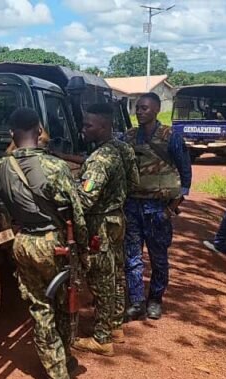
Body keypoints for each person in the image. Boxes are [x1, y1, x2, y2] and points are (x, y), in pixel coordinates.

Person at [0, 107, 88, 379]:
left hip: (23, 243)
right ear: (40, 129)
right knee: (63, 304)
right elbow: (79, 213)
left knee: (39, 308)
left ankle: (56, 376)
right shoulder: (55, 167)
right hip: (54, 244)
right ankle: (61, 368)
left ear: (11, 134)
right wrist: (81, 249)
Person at [73, 103, 139, 356]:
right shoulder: (122, 149)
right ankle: (115, 326)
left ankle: (102, 339)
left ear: (103, 127)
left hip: (99, 223)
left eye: (88, 125)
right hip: (117, 220)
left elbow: (85, 199)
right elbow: (134, 182)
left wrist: (64, 194)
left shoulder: (99, 159)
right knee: (117, 273)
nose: (83, 129)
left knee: (101, 279)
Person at [124, 93, 192, 320]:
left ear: (156, 109)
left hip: (158, 210)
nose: (140, 111)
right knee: (132, 257)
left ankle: (155, 299)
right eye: (137, 108)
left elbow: (185, 176)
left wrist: (171, 208)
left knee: (158, 259)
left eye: (144, 108)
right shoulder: (129, 137)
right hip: (132, 207)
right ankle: (136, 301)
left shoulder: (171, 137)